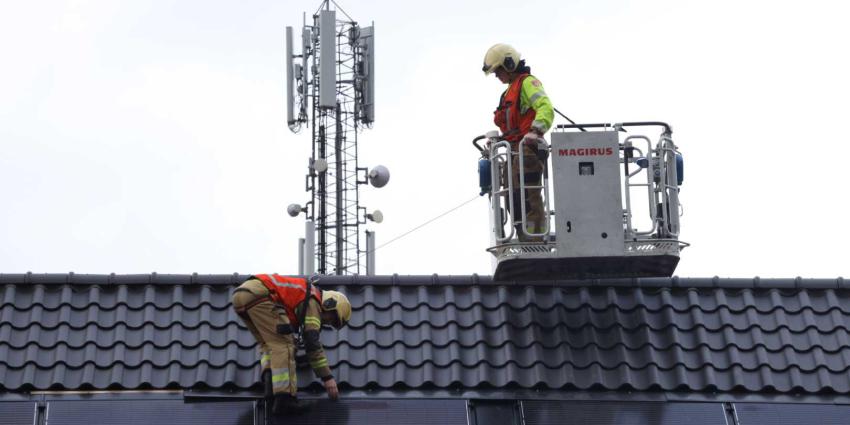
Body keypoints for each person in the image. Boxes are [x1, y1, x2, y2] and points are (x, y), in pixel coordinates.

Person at [231, 274, 352, 416]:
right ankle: (285, 400)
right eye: (332, 318)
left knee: (269, 345)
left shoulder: (306, 296)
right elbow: (312, 343)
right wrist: (327, 377)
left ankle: (270, 390)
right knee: (284, 345)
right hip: (260, 295)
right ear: (330, 304)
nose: (328, 322)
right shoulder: (314, 302)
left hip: (241, 296)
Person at [482, 43, 554, 242]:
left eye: (499, 71)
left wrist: (535, 131)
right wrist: (497, 140)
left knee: (528, 197)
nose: (497, 76)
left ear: (509, 64)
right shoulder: (508, 92)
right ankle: (523, 238)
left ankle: (535, 240)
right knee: (513, 198)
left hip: (527, 150)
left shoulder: (528, 83)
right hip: (513, 151)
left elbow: (545, 108)